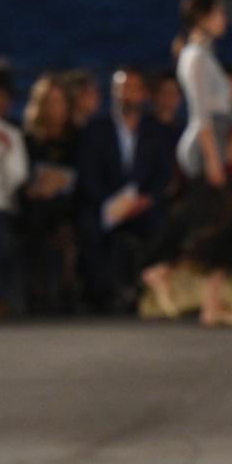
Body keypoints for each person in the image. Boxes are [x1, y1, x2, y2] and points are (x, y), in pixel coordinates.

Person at [141, 0, 232, 327]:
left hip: (217, 143)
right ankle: (162, 271)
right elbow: (201, 114)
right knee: (218, 223)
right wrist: (214, 159)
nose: (225, 20)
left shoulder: (203, 54)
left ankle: (210, 303)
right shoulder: (195, 57)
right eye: (220, 14)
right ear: (203, 18)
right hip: (207, 147)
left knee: (217, 225)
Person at [76, 66, 173, 311]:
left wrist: (146, 199)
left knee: (162, 224)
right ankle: (102, 296)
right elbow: (87, 175)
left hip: (143, 204)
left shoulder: (156, 130)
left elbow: (163, 173)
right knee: (88, 227)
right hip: (104, 203)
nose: (127, 94)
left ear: (144, 94)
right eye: (122, 88)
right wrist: (111, 202)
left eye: (133, 88)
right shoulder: (95, 130)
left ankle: (144, 292)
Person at [20, 73, 79, 313]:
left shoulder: (76, 138)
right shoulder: (28, 139)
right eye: (50, 101)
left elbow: (80, 174)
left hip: (68, 204)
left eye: (60, 101)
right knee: (38, 217)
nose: (56, 108)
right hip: (35, 204)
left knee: (67, 225)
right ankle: (41, 292)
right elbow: (22, 178)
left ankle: (63, 292)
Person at [0, 76, 28, 316]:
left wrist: (6, 150)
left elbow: (17, 178)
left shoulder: (12, 135)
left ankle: (9, 302)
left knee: (4, 241)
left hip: (3, 207)